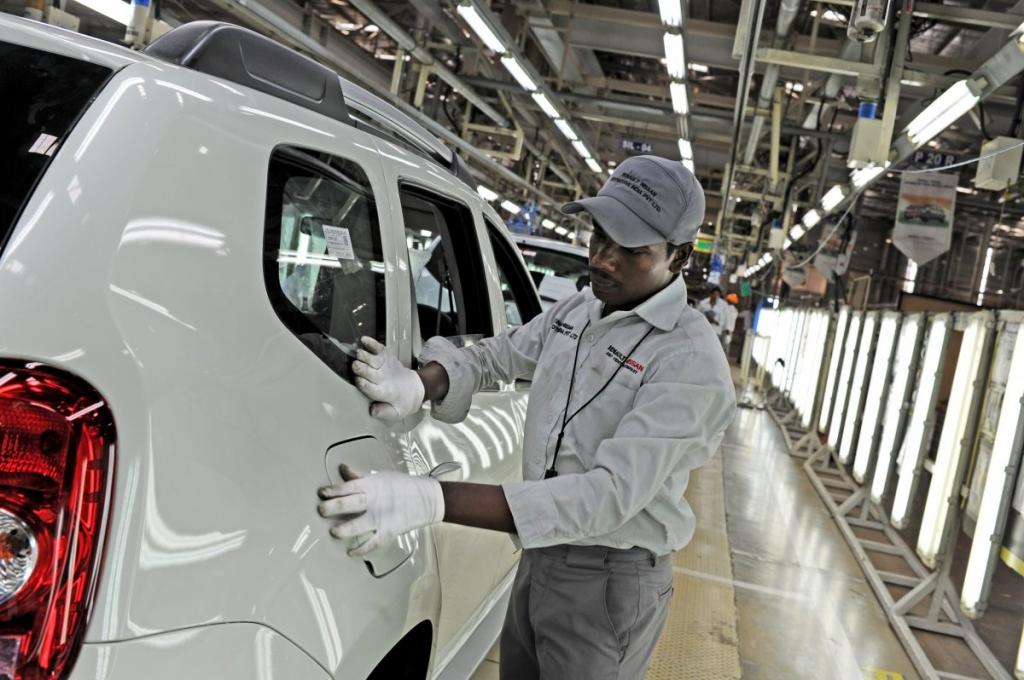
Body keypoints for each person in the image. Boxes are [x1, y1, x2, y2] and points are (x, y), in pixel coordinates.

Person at [316, 156, 737, 679]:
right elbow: (500, 355)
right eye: (599, 237)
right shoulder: (580, 311)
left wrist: (430, 499)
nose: (602, 260)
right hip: (540, 555)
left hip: (609, 581)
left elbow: (606, 496)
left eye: (630, 251)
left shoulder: (689, 361)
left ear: (679, 256)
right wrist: (421, 384)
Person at [697, 286, 730, 351]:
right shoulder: (703, 303)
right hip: (703, 330)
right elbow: (697, 315)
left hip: (715, 331)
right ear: (711, 294)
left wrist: (715, 321)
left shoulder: (723, 305)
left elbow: (724, 320)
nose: (715, 296)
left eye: (717, 295)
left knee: (711, 349)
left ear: (719, 296)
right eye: (714, 294)